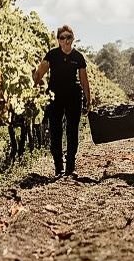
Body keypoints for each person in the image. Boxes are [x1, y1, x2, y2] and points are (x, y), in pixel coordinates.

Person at [33, 25, 91, 176]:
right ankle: (59, 167)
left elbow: (84, 80)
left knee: (72, 131)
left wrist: (88, 99)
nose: (65, 40)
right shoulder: (52, 55)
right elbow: (40, 73)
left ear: (73, 38)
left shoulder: (78, 57)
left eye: (68, 37)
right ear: (58, 40)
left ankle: (70, 166)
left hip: (74, 97)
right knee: (56, 131)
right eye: (62, 38)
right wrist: (35, 89)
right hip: (55, 98)